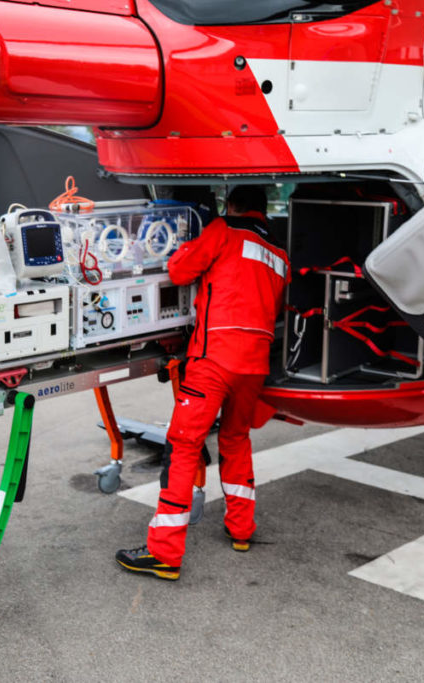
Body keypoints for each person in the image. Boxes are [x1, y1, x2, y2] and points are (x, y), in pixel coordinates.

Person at [115, 185, 289, 580]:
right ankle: (242, 529)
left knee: (183, 445)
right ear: (264, 210)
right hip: (255, 361)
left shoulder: (224, 229)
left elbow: (179, 270)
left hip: (215, 357)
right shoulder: (279, 253)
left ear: (232, 206)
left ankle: (164, 553)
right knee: (235, 439)